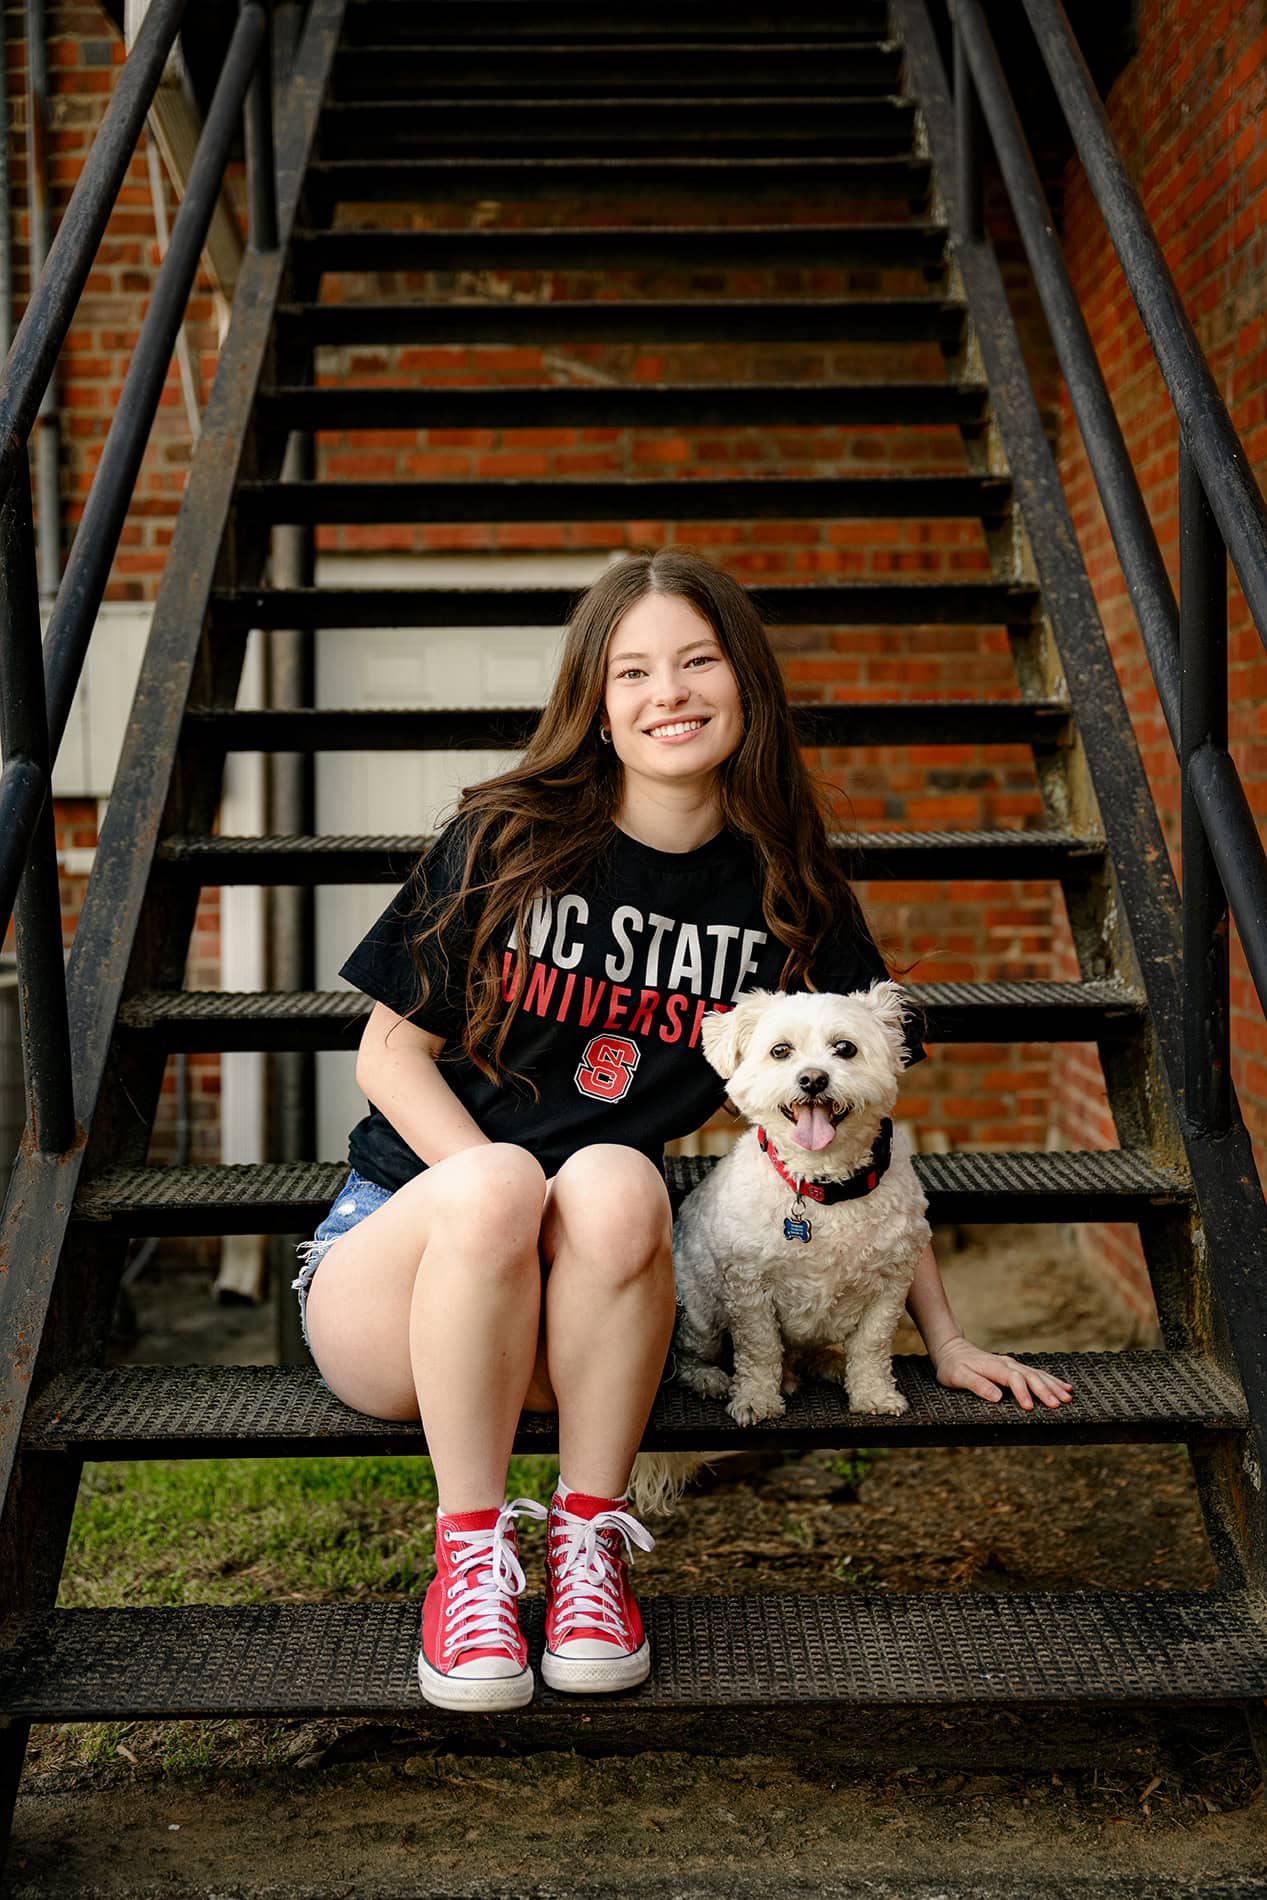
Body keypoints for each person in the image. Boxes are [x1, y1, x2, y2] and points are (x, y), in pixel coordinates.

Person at [293, 547, 1073, 1713]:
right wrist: (505, 1199)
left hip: (593, 1308)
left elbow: (855, 1133)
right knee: (511, 1182)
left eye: (698, 660)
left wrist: (944, 1337)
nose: (670, 692)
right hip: (403, 1273)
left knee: (616, 1180)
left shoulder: (784, 887)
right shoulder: (504, 836)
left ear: (744, 685)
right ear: (597, 708)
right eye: (634, 671)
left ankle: (591, 1554)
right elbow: (387, 1053)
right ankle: (465, 1563)